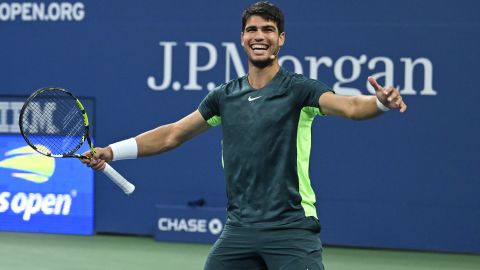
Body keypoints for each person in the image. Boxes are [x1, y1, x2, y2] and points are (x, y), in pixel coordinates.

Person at [84, 2, 406, 269]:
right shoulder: (224, 97)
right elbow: (172, 135)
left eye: (268, 30)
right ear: (242, 38)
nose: (259, 36)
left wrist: (380, 102)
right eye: (252, 29)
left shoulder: (300, 90)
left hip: (291, 229)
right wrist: (111, 151)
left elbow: (350, 106)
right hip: (239, 230)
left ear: (281, 39)